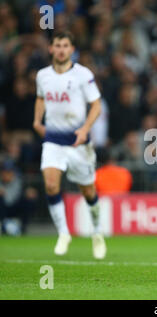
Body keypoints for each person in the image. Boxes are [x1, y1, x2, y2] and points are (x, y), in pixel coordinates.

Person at [33, 31, 106, 259]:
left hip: (78, 142)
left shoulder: (83, 74)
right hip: (53, 141)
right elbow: (41, 98)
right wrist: (37, 121)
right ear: (51, 49)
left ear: (72, 49)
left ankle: (96, 232)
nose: (62, 49)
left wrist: (85, 129)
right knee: (52, 185)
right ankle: (64, 233)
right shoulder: (42, 75)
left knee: (88, 191)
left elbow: (96, 105)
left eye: (66, 45)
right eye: (58, 45)